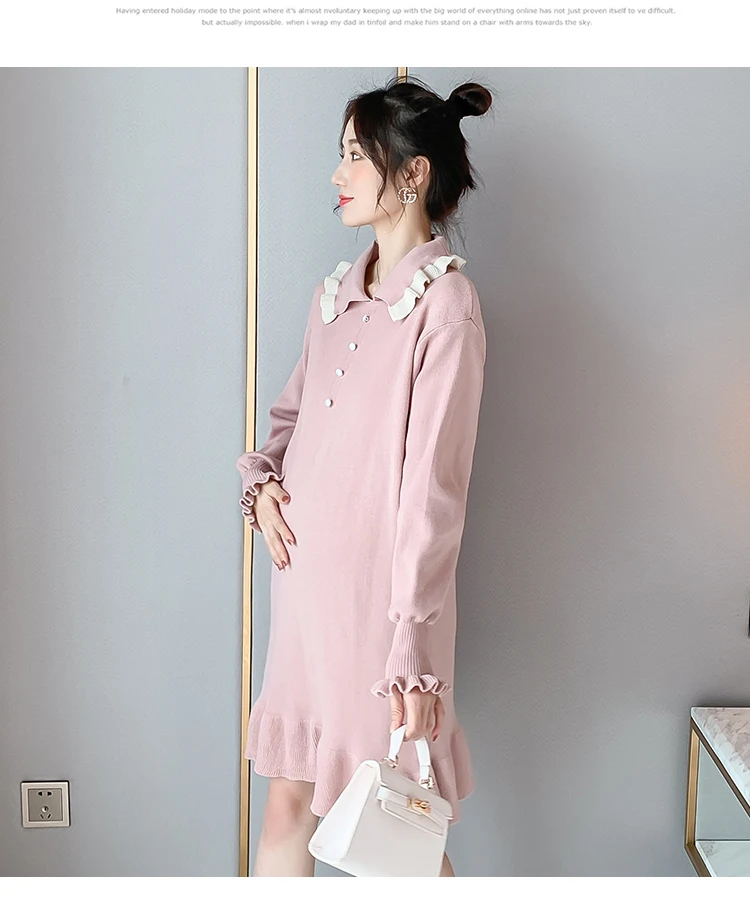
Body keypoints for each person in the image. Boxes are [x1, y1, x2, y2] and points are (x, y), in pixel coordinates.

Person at [237, 75, 492, 877]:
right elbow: (286, 423)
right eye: (341, 154)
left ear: (412, 173)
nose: (337, 174)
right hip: (305, 596)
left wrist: (411, 643)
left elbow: (435, 495)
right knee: (287, 802)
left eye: (355, 155)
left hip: (381, 614)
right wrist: (263, 487)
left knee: (393, 829)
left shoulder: (446, 308)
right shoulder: (332, 301)